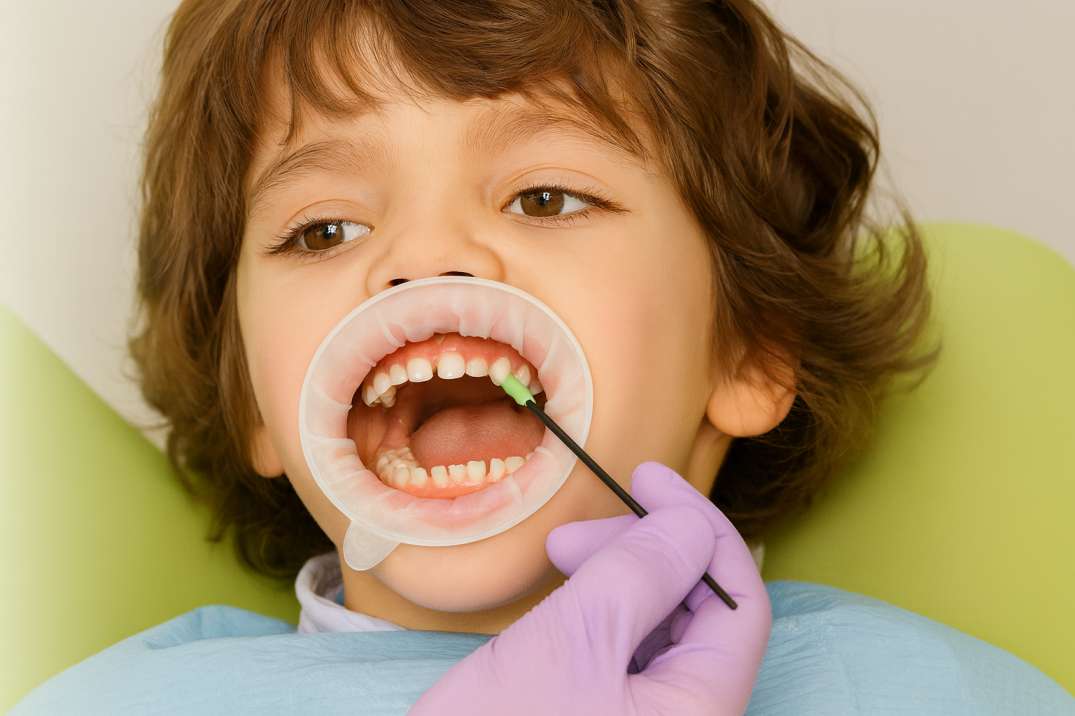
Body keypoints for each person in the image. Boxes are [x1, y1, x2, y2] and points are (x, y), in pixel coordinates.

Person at [12, 1, 1073, 713]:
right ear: (254, 401)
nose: (424, 256)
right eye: (322, 229)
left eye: (546, 196)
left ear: (747, 347)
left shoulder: (917, 689)